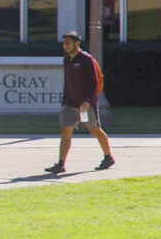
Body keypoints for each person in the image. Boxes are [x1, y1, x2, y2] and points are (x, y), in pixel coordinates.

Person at [45, 31, 114, 175]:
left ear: (77, 43)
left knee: (95, 130)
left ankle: (108, 157)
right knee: (65, 130)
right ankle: (61, 164)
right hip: (70, 103)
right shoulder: (66, 60)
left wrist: (88, 101)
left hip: (85, 104)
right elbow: (68, 82)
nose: (65, 46)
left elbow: (94, 82)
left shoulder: (86, 59)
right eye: (64, 43)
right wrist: (64, 100)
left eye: (68, 43)